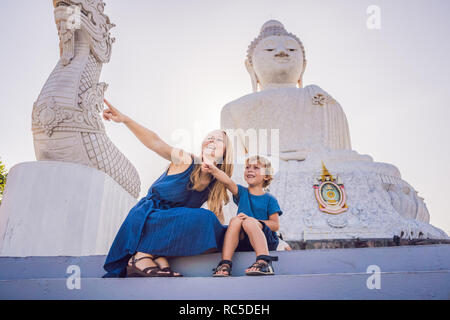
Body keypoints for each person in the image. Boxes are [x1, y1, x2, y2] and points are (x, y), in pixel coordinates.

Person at [101, 99, 233, 277]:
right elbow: (156, 143)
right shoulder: (186, 159)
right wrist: (125, 119)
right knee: (205, 217)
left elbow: (217, 221)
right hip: (148, 218)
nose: (211, 140)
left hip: (172, 226)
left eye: (218, 139)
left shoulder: (215, 185)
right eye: (209, 136)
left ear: (225, 153)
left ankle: (160, 256)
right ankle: (141, 257)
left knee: (217, 227)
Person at [203, 155, 282, 277]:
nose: (250, 170)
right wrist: (213, 169)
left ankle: (264, 262)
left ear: (266, 176)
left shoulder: (270, 199)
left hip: (265, 240)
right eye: (247, 167)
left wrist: (255, 221)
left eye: (256, 167)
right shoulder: (242, 193)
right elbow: (227, 181)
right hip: (243, 240)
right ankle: (225, 264)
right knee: (235, 220)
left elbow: (275, 225)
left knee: (248, 222)